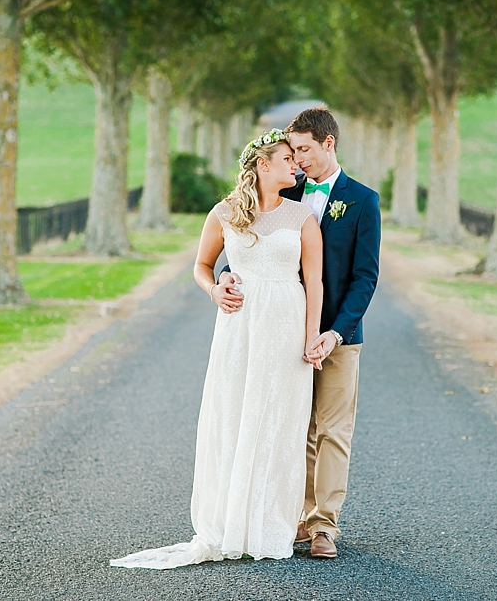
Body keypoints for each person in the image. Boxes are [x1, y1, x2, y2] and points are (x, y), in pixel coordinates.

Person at [110, 129, 325, 569]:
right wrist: (214, 289)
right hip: (238, 327)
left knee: (279, 421)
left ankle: (269, 527)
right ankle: (230, 523)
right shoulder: (224, 213)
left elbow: (314, 282)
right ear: (263, 165)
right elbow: (201, 266)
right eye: (287, 158)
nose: (295, 165)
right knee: (234, 414)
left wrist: (311, 337)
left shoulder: (303, 217)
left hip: (286, 323)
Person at [218, 107, 382, 559]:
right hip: (282, 331)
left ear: (328, 144)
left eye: (305, 150)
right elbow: (260, 246)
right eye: (293, 152)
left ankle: (324, 525)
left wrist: (335, 333)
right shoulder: (286, 190)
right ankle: (294, 516)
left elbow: (365, 277)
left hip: (337, 334)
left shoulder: (362, 200)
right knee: (291, 424)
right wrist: (228, 275)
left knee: (331, 429)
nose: (299, 159)